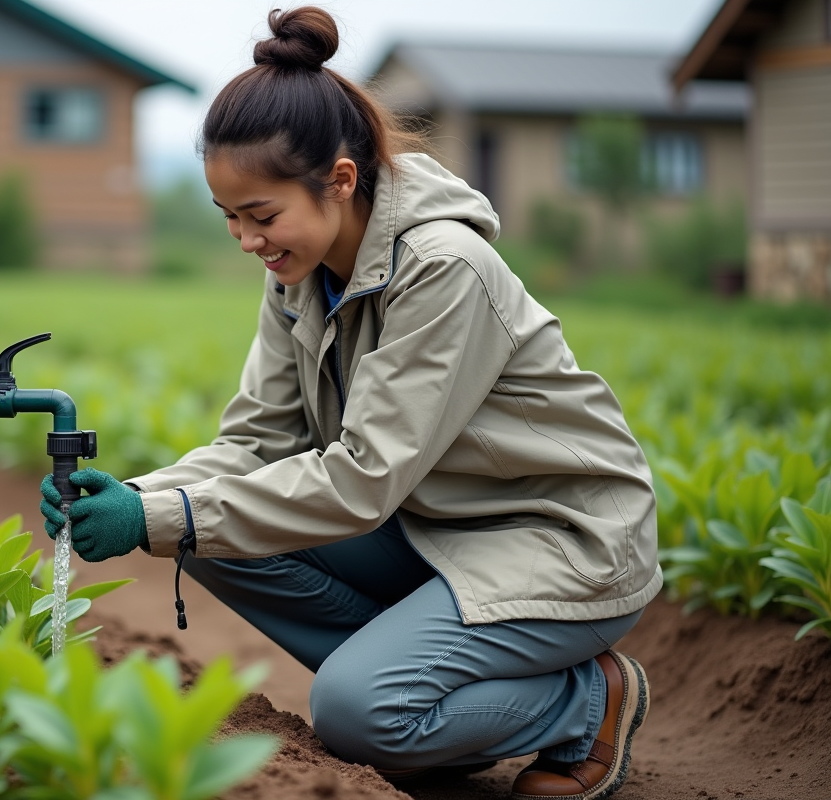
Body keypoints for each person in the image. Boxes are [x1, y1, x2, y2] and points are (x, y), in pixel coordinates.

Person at [40, 7, 659, 798]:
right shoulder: (297, 276)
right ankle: (431, 698)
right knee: (209, 535)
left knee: (356, 713)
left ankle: (586, 703)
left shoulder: (443, 268)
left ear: (339, 180)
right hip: (436, 526)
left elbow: (364, 477)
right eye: (230, 218)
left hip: (557, 540)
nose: (248, 241)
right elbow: (254, 443)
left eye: (263, 215)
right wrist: (141, 498)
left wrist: (162, 516)